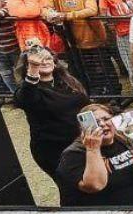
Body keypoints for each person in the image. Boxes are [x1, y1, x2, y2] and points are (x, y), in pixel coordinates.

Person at [11, 45, 89, 183]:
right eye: (39, 60)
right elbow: (26, 98)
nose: (45, 62)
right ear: (28, 66)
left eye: (47, 58)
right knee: (73, 185)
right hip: (54, 150)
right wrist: (34, 69)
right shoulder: (28, 91)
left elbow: (85, 107)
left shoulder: (69, 81)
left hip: (83, 143)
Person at [56, 103, 133, 207]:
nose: (102, 124)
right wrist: (93, 149)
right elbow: (95, 186)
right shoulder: (74, 153)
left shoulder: (123, 139)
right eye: (96, 122)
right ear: (83, 128)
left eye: (106, 119)